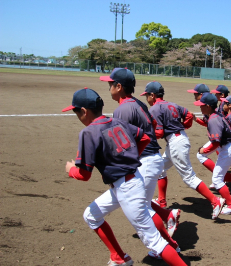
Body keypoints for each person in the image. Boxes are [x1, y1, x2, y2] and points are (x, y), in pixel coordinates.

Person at [62, 88, 186, 266]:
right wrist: (132, 156)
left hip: (127, 189)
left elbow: (83, 175)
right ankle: (119, 257)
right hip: (128, 183)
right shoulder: (116, 121)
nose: (77, 116)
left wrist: (71, 169)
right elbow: (143, 138)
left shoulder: (88, 132)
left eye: (76, 112)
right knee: (91, 215)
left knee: (155, 242)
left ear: (84, 111)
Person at [99, 68, 181, 259]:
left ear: (119, 87)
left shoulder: (123, 109)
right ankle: (168, 236)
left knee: (142, 210)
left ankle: (168, 245)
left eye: (110, 84)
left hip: (145, 160)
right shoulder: (137, 103)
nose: (108, 87)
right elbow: (152, 125)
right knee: (145, 207)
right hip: (151, 159)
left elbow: (120, 144)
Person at [140, 81, 225, 220]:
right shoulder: (172, 104)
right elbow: (189, 116)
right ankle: (162, 201)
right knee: (160, 169)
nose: (146, 99)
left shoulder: (155, 109)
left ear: (153, 95)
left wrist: (143, 136)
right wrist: (182, 126)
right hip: (178, 140)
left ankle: (215, 201)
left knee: (188, 177)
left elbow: (160, 132)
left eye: (147, 96)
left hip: (176, 143)